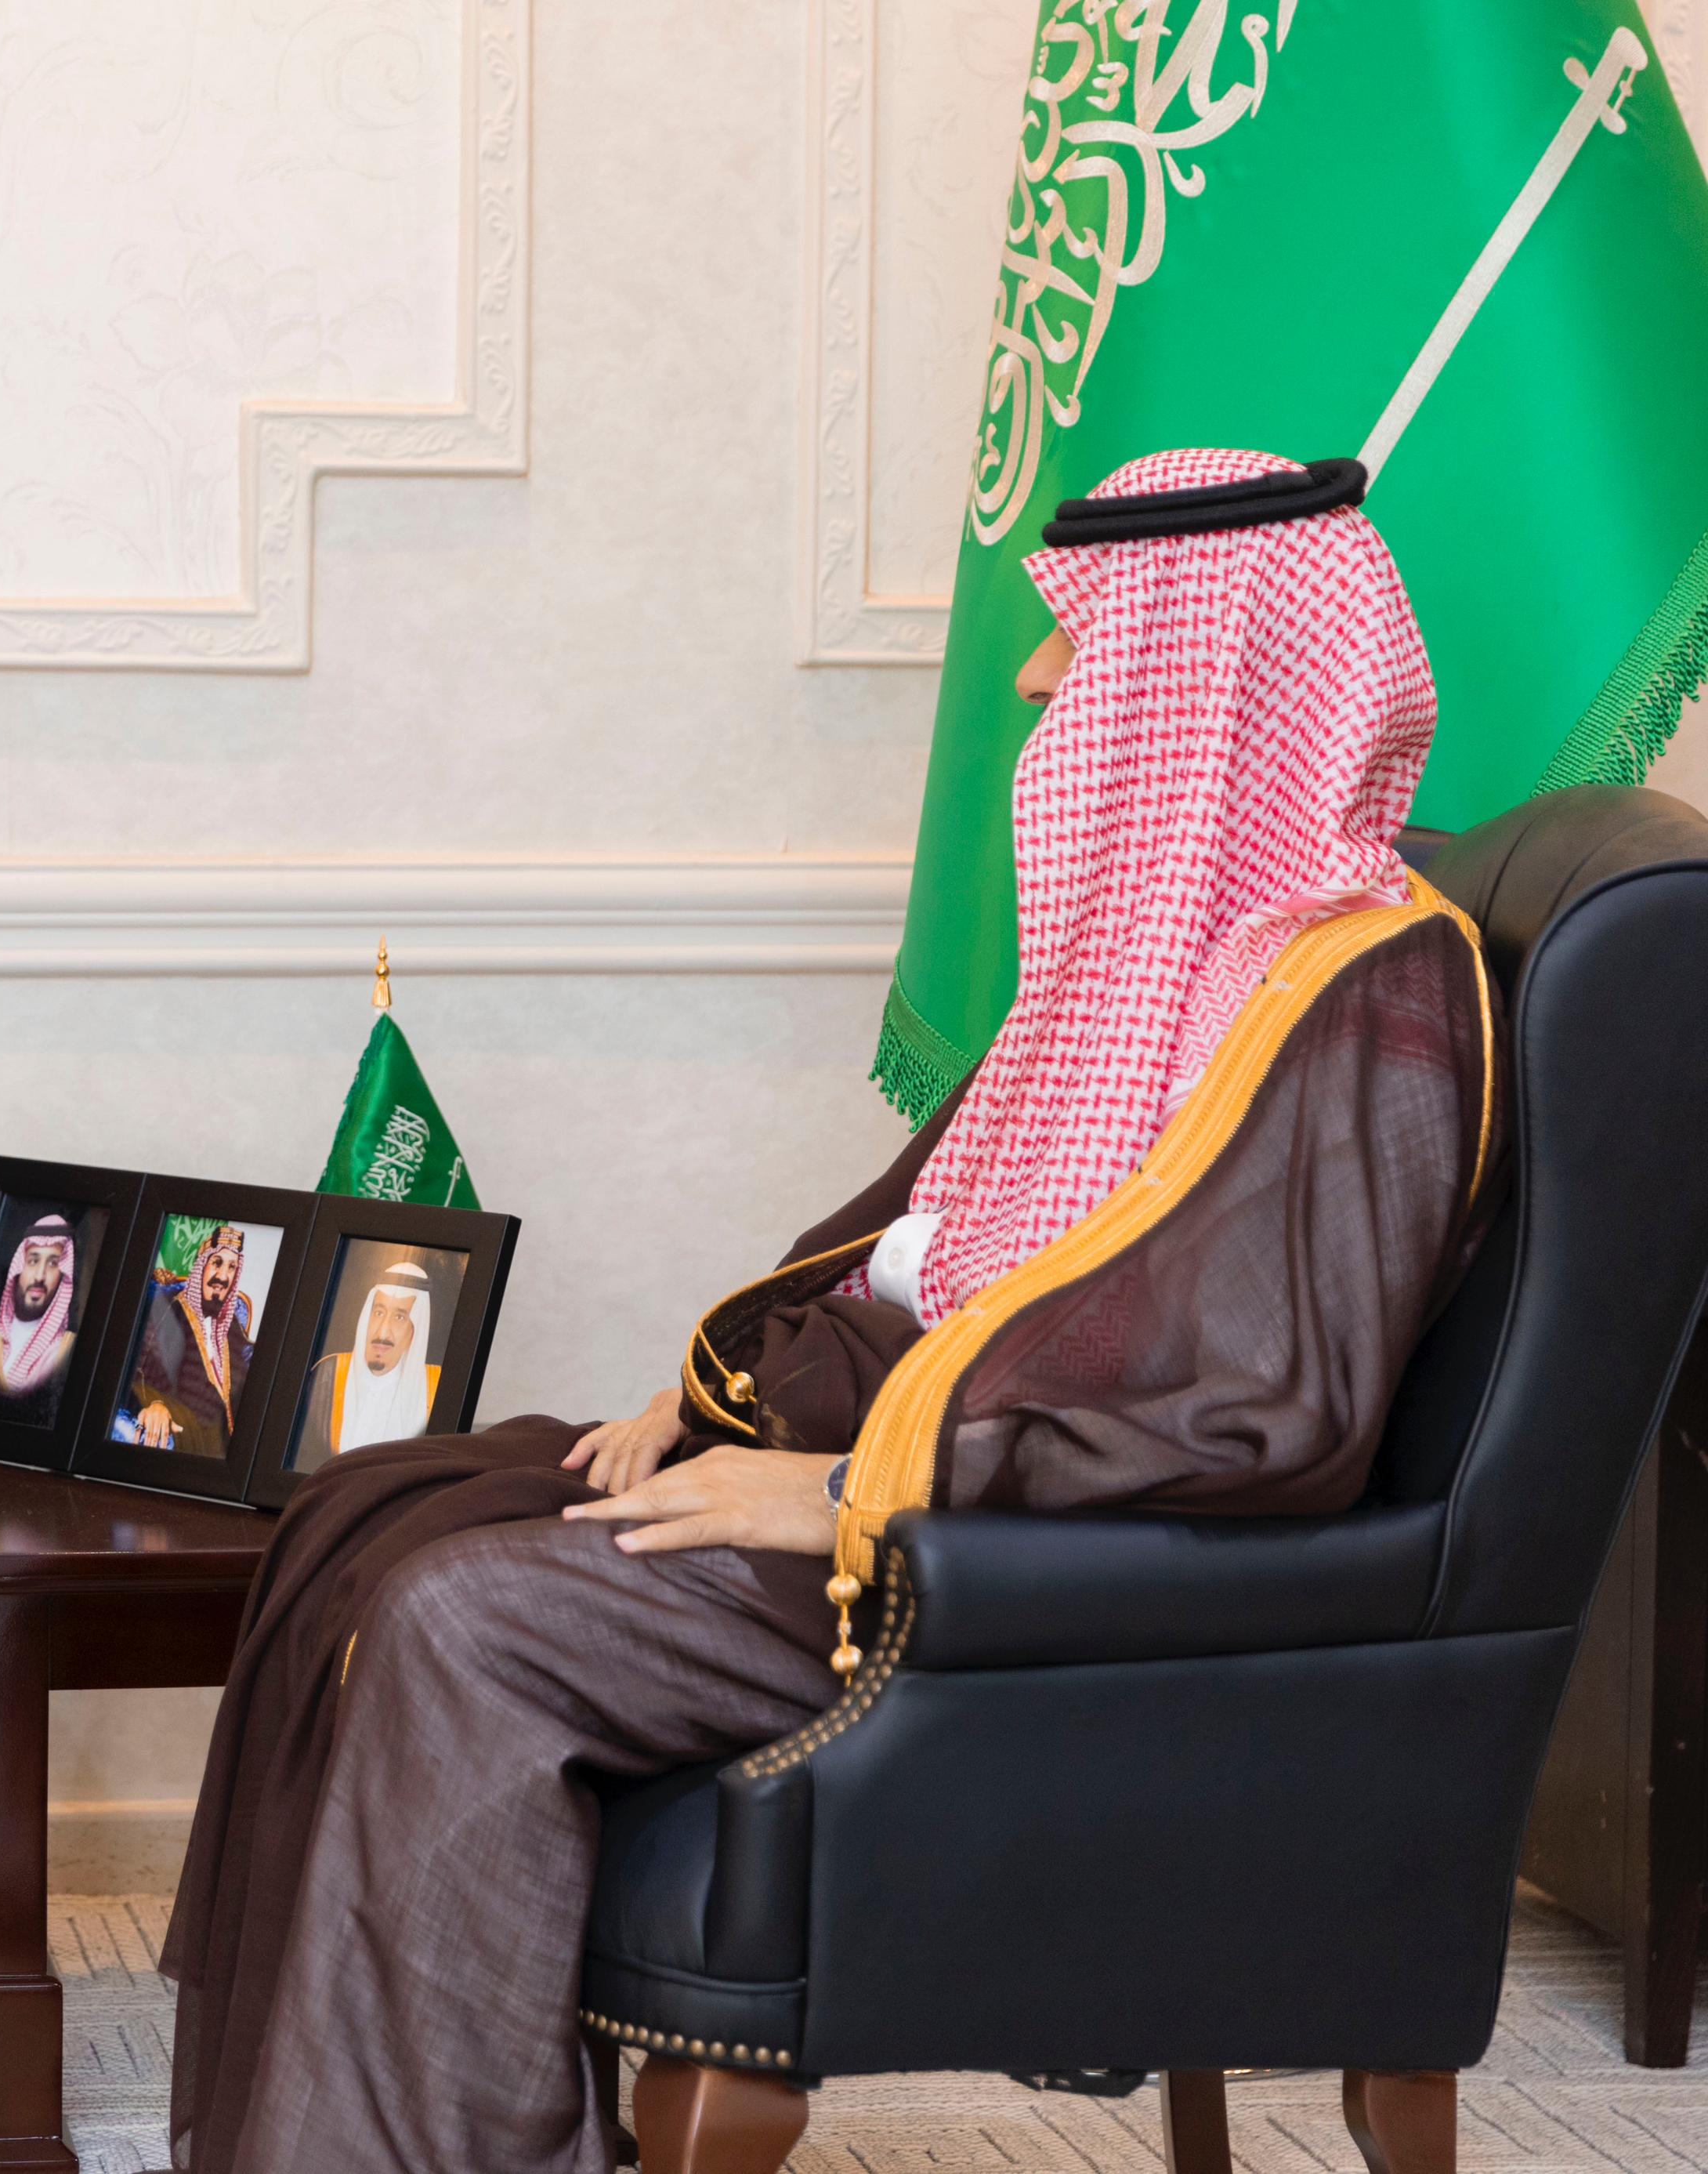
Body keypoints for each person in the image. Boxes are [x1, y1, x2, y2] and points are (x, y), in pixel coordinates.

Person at [161, 451, 1501, 2174]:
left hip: (984, 1554)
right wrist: (719, 1398)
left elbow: (1268, 1413)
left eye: (1082, 648)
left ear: (1215, 675)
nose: (1038, 690)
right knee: (372, 1505)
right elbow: (920, 1245)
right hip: (889, 1452)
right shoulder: (1140, 956)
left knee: (463, 1616)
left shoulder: (1360, 993)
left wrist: (849, 1491)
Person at [291, 1260, 438, 1466]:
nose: (383, 1332)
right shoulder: (328, 1373)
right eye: (379, 1313)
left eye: (399, 1317)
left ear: (416, 1328)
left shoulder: (435, 1387)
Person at [125, 1225, 257, 1453]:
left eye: (232, 1267)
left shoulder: (230, 1322)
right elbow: (141, 1369)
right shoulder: (171, 1311)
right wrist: (156, 1405)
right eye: (217, 1263)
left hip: (225, 1437)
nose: (223, 1277)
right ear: (202, 1266)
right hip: (188, 1429)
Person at [0, 1212, 83, 1422]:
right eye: (33, 1261)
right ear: (18, 1268)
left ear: (63, 1276)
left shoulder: (71, 1352)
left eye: (53, 1264)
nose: (39, 1276)